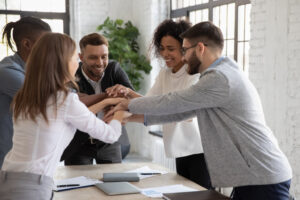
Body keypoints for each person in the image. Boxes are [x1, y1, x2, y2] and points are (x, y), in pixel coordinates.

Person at [105, 21, 292, 200]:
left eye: (185, 50)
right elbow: (180, 112)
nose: (183, 57)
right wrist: (130, 117)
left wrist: (128, 104)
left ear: (200, 48)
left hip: (261, 176)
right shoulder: (220, 73)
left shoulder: (219, 78)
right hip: (253, 177)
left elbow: (174, 101)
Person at [0, 32, 127, 200]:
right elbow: (110, 135)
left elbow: (69, 119)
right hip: (32, 187)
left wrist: (105, 102)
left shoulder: (25, 97)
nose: (77, 63)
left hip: (7, 179)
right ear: (63, 62)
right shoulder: (64, 99)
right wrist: (120, 111)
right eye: (75, 57)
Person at [106, 20, 212, 189]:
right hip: (180, 149)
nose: (165, 54)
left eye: (171, 49)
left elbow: (180, 110)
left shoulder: (193, 74)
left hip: (200, 150)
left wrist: (128, 109)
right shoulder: (165, 74)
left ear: (184, 48)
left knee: (201, 195)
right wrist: (127, 93)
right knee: (185, 194)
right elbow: (151, 102)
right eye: (162, 48)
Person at [60, 33, 133, 165]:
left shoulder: (114, 69)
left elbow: (131, 99)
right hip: (78, 143)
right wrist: (109, 97)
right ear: (81, 57)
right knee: (78, 184)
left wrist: (123, 97)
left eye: (104, 57)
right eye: (93, 58)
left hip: (109, 142)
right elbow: (75, 106)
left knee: (114, 182)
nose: (100, 63)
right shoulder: (72, 75)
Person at [0, 16, 51, 168]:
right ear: (27, 44)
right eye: (45, 44)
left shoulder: (36, 71)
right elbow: (51, 100)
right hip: (5, 158)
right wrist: (107, 98)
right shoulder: (7, 71)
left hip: (23, 157)